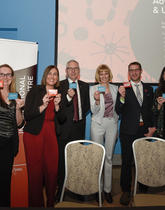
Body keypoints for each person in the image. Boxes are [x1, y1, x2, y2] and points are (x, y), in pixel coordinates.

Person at [23, 65, 65, 207]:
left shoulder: (59, 93)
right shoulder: (36, 90)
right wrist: (43, 105)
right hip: (34, 134)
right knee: (35, 172)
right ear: (45, 75)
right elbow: (27, 114)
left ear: (58, 78)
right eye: (50, 74)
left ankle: (51, 202)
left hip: (51, 134)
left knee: (52, 170)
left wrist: (58, 107)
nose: (52, 76)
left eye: (55, 74)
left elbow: (63, 118)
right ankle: (36, 205)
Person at [115, 61, 156, 206]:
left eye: (136, 70)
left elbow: (151, 110)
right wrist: (121, 97)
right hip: (127, 131)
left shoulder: (149, 88)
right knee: (127, 162)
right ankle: (126, 191)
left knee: (143, 160)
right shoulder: (123, 88)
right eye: (131, 70)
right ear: (128, 72)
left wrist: (153, 127)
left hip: (144, 130)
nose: (133, 72)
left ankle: (142, 188)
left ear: (141, 71)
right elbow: (118, 110)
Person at [57, 59, 90, 200]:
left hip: (79, 127)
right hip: (64, 128)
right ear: (65, 71)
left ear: (79, 71)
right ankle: (60, 190)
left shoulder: (84, 86)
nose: (73, 71)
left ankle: (77, 190)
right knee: (62, 161)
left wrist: (81, 117)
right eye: (70, 68)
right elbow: (59, 108)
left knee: (77, 159)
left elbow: (87, 105)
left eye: (76, 68)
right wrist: (68, 98)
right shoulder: (60, 86)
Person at [90, 64, 119, 203]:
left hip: (112, 124)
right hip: (97, 124)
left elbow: (118, 109)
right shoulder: (93, 89)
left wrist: (116, 126)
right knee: (98, 157)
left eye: (106, 73)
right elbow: (93, 111)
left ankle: (107, 190)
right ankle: (97, 188)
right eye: (101, 74)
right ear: (98, 75)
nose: (103, 76)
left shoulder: (115, 88)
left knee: (108, 157)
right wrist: (96, 100)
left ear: (109, 75)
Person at [0, 64, 24, 207]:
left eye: (8, 74)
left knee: (5, 181)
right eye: (2, 74)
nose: (5, 77)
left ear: (12, 77)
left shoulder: (16, 95)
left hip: (9, 144)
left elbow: (19, 123)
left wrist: (18, 108)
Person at [152, 66, 165, 138]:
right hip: (161, 129)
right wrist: (159, 106)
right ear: (163, 76)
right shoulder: (158, 91)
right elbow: (154, 112)